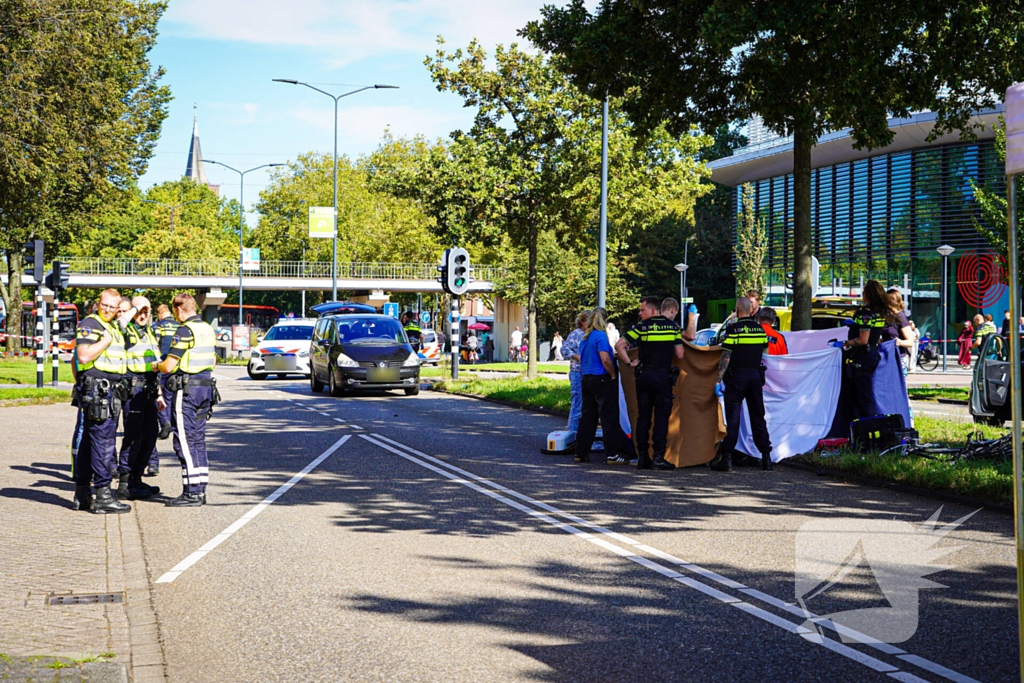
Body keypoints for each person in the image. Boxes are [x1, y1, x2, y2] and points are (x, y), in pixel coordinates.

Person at [72, 289, 133, 514]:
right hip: (99, 391)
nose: (107, 309)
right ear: (98, 303)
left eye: (112, 307)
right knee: (103, 442)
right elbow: (82, 356)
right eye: (104, 305)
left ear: (118, 309)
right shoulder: (92, 324)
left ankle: (82, 493)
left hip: (106, 391)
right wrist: (106, 341)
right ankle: (104, 495)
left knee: (90, 442)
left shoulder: (114, 326)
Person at [157, 293, 219, 507]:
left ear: (179, 309)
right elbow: (213, 358)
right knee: (198, 439)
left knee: (183, 439)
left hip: (187, 390)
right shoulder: (207, 329)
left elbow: (169, 366)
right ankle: (200, 488)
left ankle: (191, 492)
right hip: (206, 388)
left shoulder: (184, 330)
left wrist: (156, 364)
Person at [615, 297, 684, 470]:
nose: (640, 313)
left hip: (644, 377)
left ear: (653, 310)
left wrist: (630, 363)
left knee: (643, 417)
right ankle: (659, 457)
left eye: (642, 310)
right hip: (663, 378)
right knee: (661, 418)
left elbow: (619, 345)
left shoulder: (641, 328)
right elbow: (680, 354)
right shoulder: (672, 327)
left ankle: (643, 458)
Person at [711, 297, 772, 472]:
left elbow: (726, 356)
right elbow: (765, 352)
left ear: (737, 310)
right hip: (754, 377)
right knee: (758, 417)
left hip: (737, 377)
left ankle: (727, 459)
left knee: (733, 419)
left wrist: (717, 380)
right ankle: (766, 457)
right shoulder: (760, 330)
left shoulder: (734, 330)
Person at [115, 297, 164, 500]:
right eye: (140, 311)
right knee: (134, 436)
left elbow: (155, 364)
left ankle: (136, 478)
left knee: (150, 435)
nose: (143, 315)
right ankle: (125, 483)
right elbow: (120, 323)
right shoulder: (127, 329)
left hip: (149, 391)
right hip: (133, 390)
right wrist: (135, 308)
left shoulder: (151, 332)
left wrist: (159, 394)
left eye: (147, 311)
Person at [574, 308, 619, 463]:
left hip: (586, 379)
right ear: (604, 320)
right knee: (608, 416)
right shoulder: (601, 335)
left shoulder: (585, 338)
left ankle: (581, 452)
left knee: (588, 417)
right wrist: (613, 374)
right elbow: (605, 359)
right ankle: (612, 454)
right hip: (601, 378)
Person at [841, 279, 889, 420]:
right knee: (864, 394)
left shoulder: (865, 314)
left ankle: (868, 430)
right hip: (872, 355)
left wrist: (845, 343)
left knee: (862, 397)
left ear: (868, 294)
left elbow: (863, 340)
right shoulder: (879, 313)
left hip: (861, 358)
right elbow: (876, 338)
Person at [562, 312, 589, 434]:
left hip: (587, 373)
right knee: (577, 404)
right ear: (583, 321)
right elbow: (564, 349)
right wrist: (577, 357)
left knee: (584, 405)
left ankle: (581, 433)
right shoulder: (576, 334)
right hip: (577, 372)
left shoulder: (589, 334)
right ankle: (572, 432)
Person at [885, 289, 915, 374]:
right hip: (887, 356)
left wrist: (899, 342)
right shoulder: (886, 317)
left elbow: (910, 342)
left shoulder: (900, 317)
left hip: (898, 358)